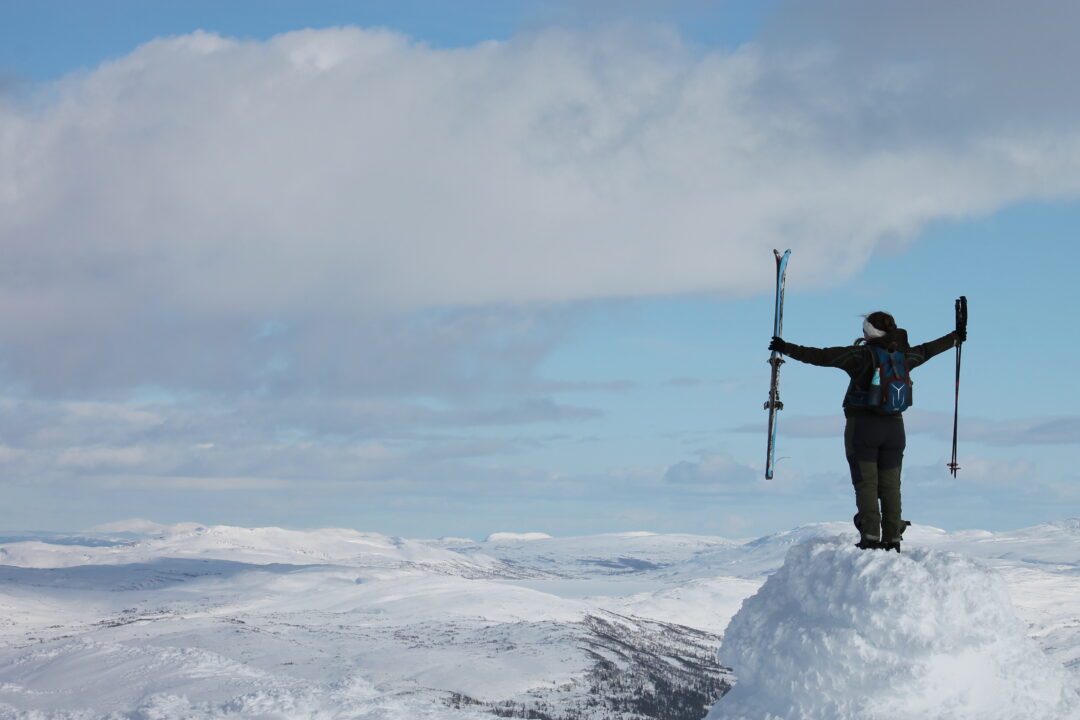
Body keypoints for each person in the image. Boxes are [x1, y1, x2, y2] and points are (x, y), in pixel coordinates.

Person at [769, 311, 963, 551]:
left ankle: (871, 535)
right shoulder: (904, 355)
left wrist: (785, 347)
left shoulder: (860, 355)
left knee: (866, 483)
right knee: (892, 485)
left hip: (863, 428)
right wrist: (955, 337)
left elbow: (822, 356)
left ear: (868, 332)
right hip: (895, 429)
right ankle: (893, 536)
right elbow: (928, 349)